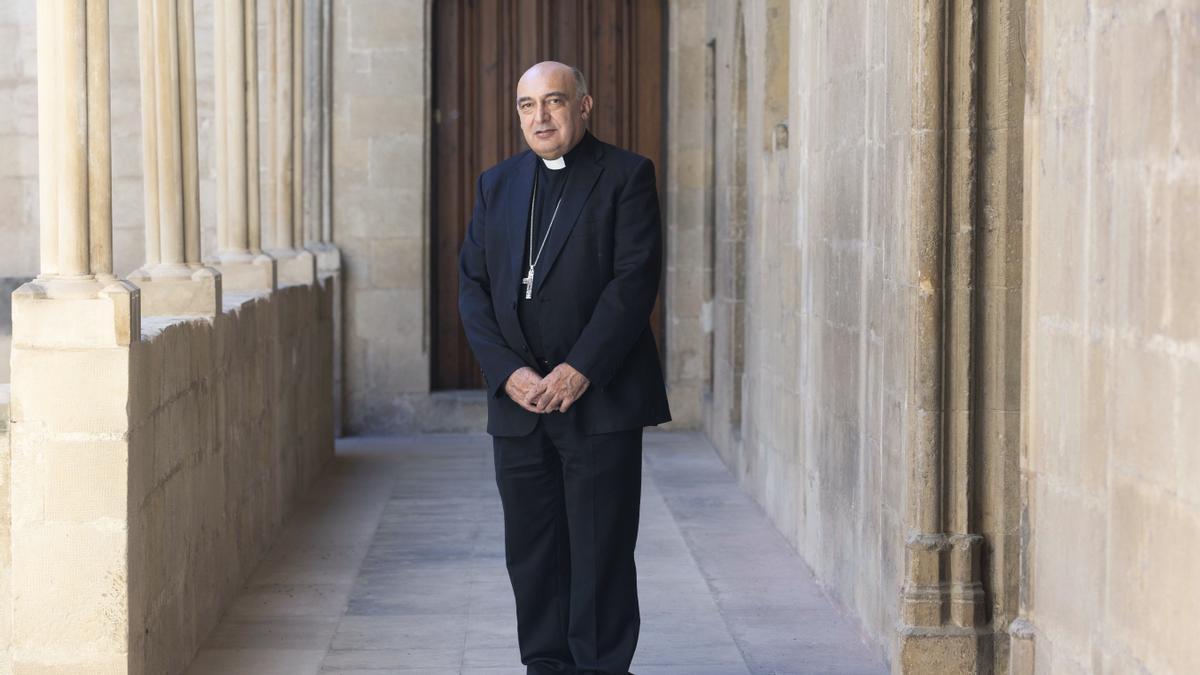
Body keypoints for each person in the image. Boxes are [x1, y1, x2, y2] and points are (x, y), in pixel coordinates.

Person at [458, 61, 671, 675]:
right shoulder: (496, 185)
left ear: (585, 106)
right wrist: (507, 374)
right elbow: (473, 289)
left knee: (600, 550)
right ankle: (545, 667)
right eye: (528, 106)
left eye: (554, 102)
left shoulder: (627, 176)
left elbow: (633, 284)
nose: (540, 117)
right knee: (532, 552)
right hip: (519, 405)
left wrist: (579, 369)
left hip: (597, 400)